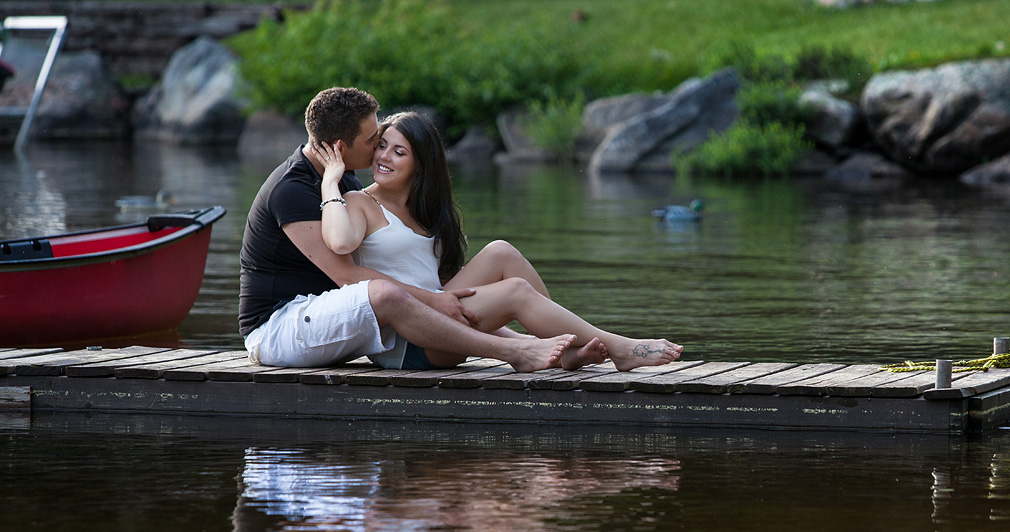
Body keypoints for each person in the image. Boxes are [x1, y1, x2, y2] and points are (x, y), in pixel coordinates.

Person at [314, 109, 683, 372]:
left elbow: (432, 282)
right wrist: (333, 181)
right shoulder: (361, 201)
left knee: (501, 251)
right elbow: (341, 243)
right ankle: (620, 348)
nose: (384, 157)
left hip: (443, 319)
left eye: (399, 151)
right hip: (409, 342)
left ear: (420, 164)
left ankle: (569, 349)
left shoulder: (425, 211)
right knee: (516, 291)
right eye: (382, 147)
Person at [238, 87, 576, 373]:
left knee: (497, 255)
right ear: (341, 147)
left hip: (333, 313)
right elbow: (347, 276)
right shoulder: (293, 189)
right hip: (279, 327)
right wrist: (433, 300)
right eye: (374, 140)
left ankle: (552, 344)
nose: (378, 148)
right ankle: (514, 352)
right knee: (383, 293)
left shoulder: (348, 180)